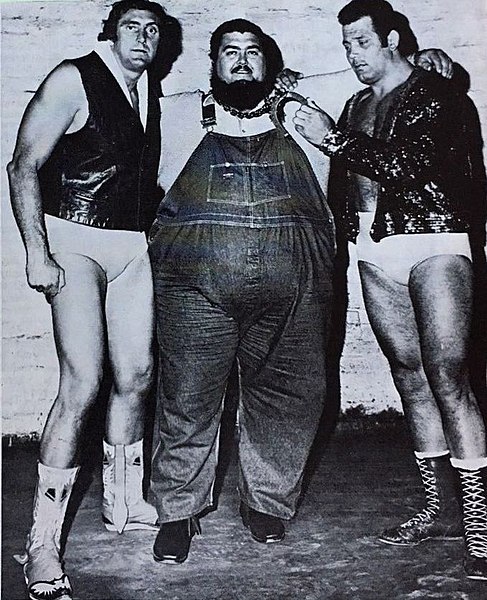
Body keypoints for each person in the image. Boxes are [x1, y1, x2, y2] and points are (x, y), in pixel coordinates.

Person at [147, 17, 451, 565]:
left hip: (297, 282)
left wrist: (426, 56)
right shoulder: (173, 112)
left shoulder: (308, 107)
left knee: (289, 394)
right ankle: (176, 512)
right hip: (195, 285)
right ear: (212, 65)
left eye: (253, 51)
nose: (241, 61)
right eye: (229, 52)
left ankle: (267, 502)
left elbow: (382, 73)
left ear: (272, 61)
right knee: (187, 396)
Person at [292, 0, 487, 581]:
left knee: (448, 376)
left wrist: (331, 141)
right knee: (409, 376)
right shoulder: (355, 103)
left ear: (393, 38)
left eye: (360, 41)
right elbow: (345, 181)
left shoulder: (440, 93)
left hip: (434, 238)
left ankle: (480, 523)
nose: (352, 54)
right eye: (346, 43)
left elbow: (411, 165)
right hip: (374, 250)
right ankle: (436, 507)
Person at [6, 2, 181, 598]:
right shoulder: (72, 76)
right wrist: (37, 252)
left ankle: (123, 502)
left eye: (154, 30)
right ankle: (40, 546)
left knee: (136, 373)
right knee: (82, 381)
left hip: (132, 245)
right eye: (133, 27)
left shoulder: (148, 89)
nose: (144, 38)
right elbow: (23, 163)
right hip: (73, 240)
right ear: (110, 32)